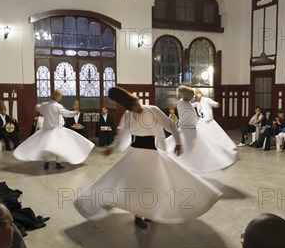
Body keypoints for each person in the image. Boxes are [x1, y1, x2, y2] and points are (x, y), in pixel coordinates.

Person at [74, 86, 222, 229]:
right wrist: (112, 148)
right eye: (133, 106)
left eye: (137, 102)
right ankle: (138, 215)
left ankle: (150, 211)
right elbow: (121, 136)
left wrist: (177, 143)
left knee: (154, 184)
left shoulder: (152, 110)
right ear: (129, 108)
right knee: (137, 185)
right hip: (134, 153)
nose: (137, 106)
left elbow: (172, 126)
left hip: (152, 153)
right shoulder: (128, 115)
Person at [13, 90, 94, 170]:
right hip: (57, 130)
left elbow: (37, 107)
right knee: (58, 146)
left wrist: (42, 108)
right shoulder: (58, 106)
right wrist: (74, 113)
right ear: (58, 97)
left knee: (46, 147)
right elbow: (66, 113)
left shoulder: (45, 104)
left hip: (46, 130)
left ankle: (46, 163)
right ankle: (58, 163)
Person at [166, 85, 237, 174]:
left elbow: (176, 102)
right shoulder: (189, 104)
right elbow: (194, 118)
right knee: (206, 148)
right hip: (193, 129)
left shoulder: (183, 103)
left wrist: (172, 95)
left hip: (186, 130)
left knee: (179, 149)